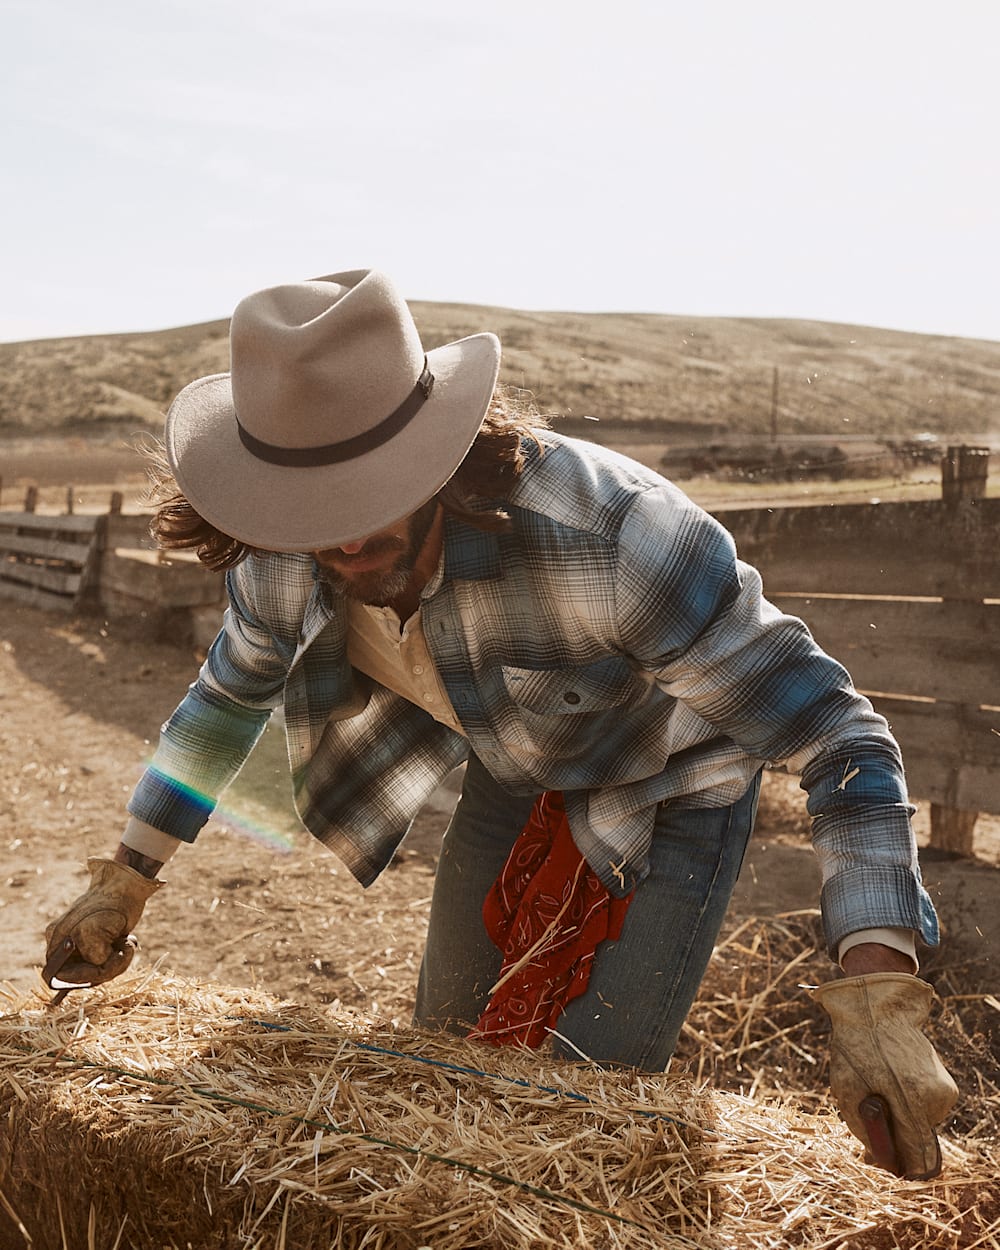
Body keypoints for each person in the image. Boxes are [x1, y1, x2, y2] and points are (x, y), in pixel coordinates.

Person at [45, 267, 957, 1178]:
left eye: (366, 495)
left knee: (579, 1116)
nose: (343, 540)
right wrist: (126, 880)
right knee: (443, 1067)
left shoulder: (617, 540)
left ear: (438, 455)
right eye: (310, 512)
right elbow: (224, 704)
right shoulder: (281, 554)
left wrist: (878, 988)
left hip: (674, 787)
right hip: (513, 768)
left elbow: (840, 738)